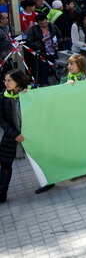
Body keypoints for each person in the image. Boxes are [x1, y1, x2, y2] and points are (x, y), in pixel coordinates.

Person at [0, 70, 33, 204]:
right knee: (5, 164)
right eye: (5, 80)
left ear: (18, 81)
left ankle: (49, 182)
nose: (6, 83)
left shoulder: (31, 92)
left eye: (9, 80)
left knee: (42, 158)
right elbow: (1, 119)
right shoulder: (3, 97)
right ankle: (2, 193)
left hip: (31, 135)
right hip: (11, 136)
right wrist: (14, 134)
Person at [26, 13, 61, 86]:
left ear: (47, 20)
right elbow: (30, 43)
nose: (43, 25)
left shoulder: (53, 27)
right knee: (44, 73)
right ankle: (45, 85)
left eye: (45, 23)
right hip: (42, 54)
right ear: (37, 23)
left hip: (53, 52)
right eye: (41, 24)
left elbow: (60, 37)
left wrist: (57, 42)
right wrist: (41, 42)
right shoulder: (33, 30)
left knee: (55, 71)